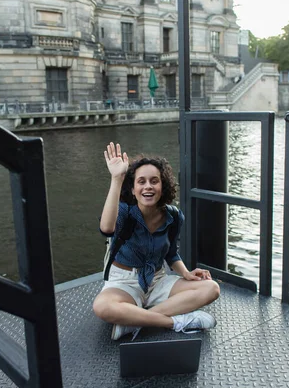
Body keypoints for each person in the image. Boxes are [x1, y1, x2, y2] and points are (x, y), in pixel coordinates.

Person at [93, 142, 220, 340]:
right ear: (133, 189)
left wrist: (186, 273)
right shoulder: (124, 211)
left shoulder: (174, 216)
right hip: (124, 282)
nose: (148, 186)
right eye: (141, 182)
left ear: (163, 186)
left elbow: (170, 254)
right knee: (102, 306)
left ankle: (135, 321)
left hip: (157, 280)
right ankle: (177, 322)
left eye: (154, 181)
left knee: (211, 288)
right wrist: (117, 179)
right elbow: (106, 228)